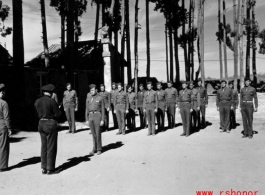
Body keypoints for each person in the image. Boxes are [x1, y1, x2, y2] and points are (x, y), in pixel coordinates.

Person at [34, 84, 61, 175]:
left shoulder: (37, 101)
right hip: (50, 123)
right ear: (51, 92)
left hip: (41, 123)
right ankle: (50, 168)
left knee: (44, 146)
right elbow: (57, 114)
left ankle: (44, 167)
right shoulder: (52, 101)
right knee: (51, 146)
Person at [85, 84, 105, 155]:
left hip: (97, 115)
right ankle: (94, 148)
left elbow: (103, 109)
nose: (92, 91)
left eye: (93, 90)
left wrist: (102, 120)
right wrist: (86, 119)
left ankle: (99, 148)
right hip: (91, 116)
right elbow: (87, 109)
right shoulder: (88, 98)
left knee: (98, 133)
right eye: (91, 90)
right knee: (93, 134)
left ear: (96, 90)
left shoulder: (100, 98)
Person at [0, 84, 12, 172]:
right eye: (2, 91)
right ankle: (3, 166)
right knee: (3, 146)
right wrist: (9, 128)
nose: (3, 93)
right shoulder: (4, 103)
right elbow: (6, 117)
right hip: (2, 125)